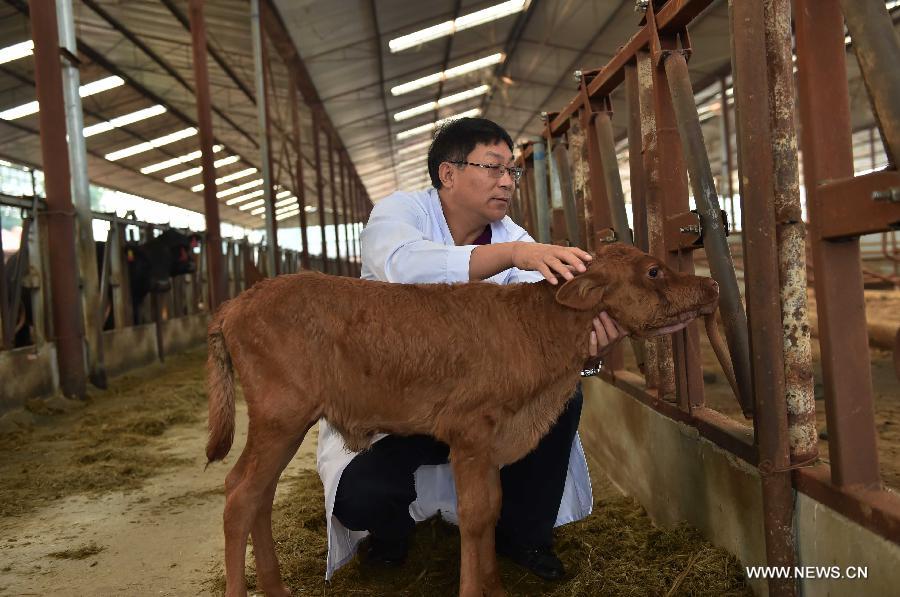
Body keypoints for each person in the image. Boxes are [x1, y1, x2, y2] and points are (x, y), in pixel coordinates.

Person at [315, 117, 627, 582]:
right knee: (361, 496)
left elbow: (547, 334)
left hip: (479, 409)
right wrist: (512, 257)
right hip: (397, 408)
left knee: (561, 399)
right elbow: (405, 271)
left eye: (513, 172)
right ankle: (391, 533)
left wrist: (586, 350)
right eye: (494, 167)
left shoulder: (519, 241)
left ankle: (523, 537)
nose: (507, 182)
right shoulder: (401, 213)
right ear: (448, 174)